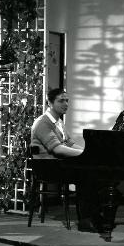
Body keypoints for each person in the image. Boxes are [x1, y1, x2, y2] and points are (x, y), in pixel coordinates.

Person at [30, 88, 100, 232]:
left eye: (67, 100)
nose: (66, 104)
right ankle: (86, 220)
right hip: (47, 167)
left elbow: (69, 143)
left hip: (58, 164)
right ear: (49, 103)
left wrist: (87, 153)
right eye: (61, 100)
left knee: (92, 172)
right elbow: (57, 149)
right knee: (86, 175)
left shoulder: (58, 122)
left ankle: (94, 216)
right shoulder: (44, 123)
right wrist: (84, 155)